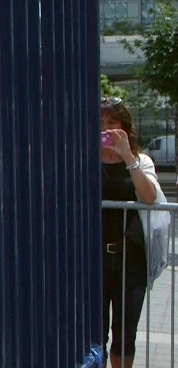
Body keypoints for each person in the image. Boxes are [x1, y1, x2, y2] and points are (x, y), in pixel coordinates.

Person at [100, 97, 159, 368]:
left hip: (129, 258)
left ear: (125, 127)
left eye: (113, 123)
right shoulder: (80, 158)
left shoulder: (140, 160)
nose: (107, 130)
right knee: (92, 332)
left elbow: (149, 196)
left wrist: (127, 156)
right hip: (93, 256)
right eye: (101, 123)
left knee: (125, 333)